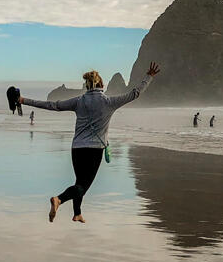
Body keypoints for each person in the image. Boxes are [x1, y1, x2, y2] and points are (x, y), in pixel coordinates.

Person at [17, 63, 160, 224]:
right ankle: (58, 199)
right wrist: (149, 77)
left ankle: (77, 213)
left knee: (79, 182)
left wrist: (23, 100)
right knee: (83, 186)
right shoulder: (109, 102)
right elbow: (135, 94)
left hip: (77, 148)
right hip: (94, 150)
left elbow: (52, 105)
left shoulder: (79, 101)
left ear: (88, 86)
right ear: (101, 85)